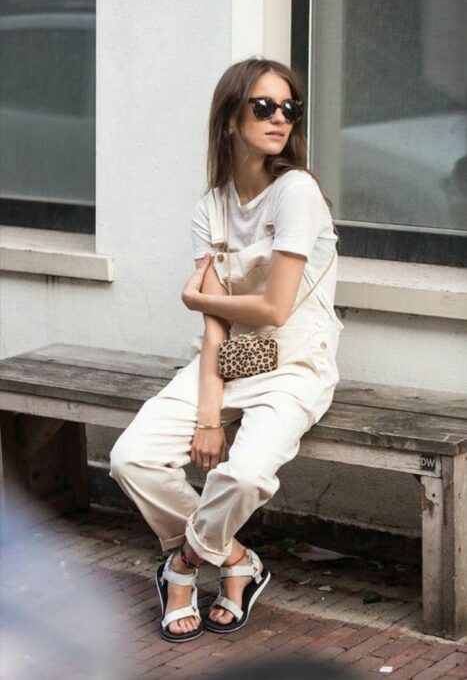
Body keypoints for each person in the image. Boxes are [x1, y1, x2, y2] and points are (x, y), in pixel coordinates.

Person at [109, 57, 344, 643]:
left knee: (241, 476)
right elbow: (216, 325)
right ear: (229, 118)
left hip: (293, 364)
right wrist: (209, 417)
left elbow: (274, 309)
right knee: (130, 457)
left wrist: (195, 299)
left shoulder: (298, 192)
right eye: (263, 106)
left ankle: (183, 567)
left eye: (289, 107)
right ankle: (238, 559)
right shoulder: (208, 207)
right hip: (226, 362)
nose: (279, 118)